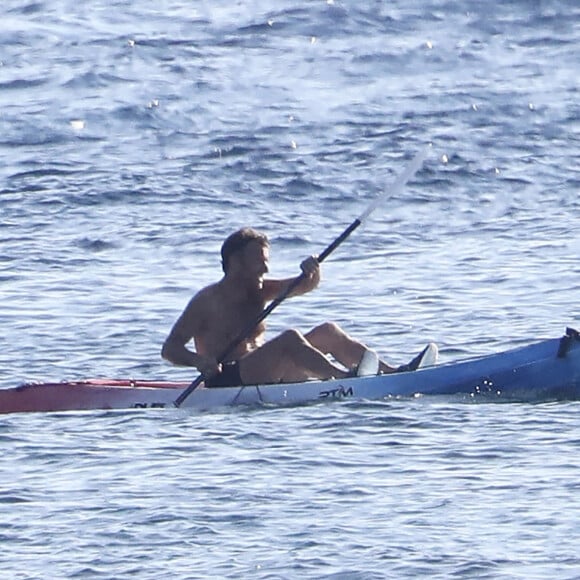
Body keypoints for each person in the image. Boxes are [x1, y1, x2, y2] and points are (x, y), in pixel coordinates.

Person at [162, 227, 436, 388]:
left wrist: (312, 270)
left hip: (265, 372)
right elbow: (170, 349)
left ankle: (393, 375)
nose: (266, 267)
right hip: (228, 379)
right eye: (259, 260)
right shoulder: (206, 301)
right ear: (235, 261)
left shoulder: (260, 289)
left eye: (266, 260)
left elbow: (303, 285)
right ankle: (343, 381)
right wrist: (199, 361)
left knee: (328, 331)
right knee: (291, 338)